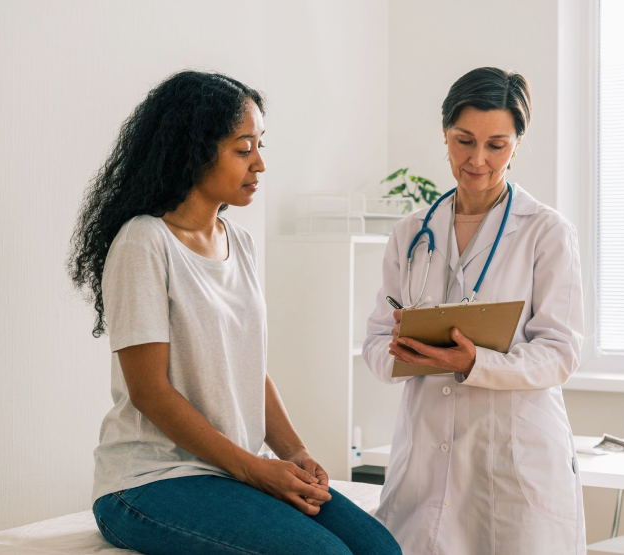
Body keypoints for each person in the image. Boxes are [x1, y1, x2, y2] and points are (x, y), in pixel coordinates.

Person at [68, 70, 401, 555]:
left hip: (230, 469)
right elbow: (150, 393)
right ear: (193, 152)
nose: (260, 164)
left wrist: (295, 453)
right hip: (148, 482)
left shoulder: (240, 243)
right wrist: (254, 468)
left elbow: (250, 369)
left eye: (260, 146)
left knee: (380, 549)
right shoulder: (144, 242)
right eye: (244, 149)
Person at [363, 67, 585, 554]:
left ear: (518, 145)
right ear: (445, 134)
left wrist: (474, 363)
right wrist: (403, 351)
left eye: (496, 145)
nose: (477, 159)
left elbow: (561, 353)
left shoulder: (545, 231)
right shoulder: (411, 232)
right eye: (464, 140)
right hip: (425, 456)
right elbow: (376, 343)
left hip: (513, 458)